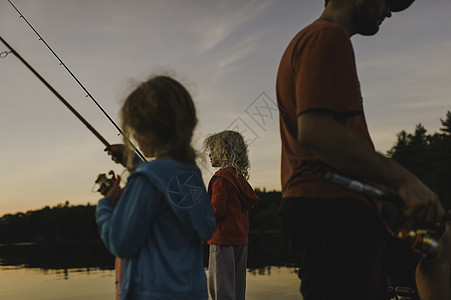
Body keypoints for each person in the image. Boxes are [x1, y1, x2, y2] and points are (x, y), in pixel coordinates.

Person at [275, 1, 447, 299]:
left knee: (441, 245)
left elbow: (338, 139)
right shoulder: (326, 36)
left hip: (346, 210)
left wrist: (385, 198)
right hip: (332, 211)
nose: (389, 11)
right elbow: (317, 131)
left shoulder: (320, 39)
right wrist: (405, 181)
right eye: (386, 0)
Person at [96, 75, 216, 300]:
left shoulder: (146, 180)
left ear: (145, 131)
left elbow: (121, 243)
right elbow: (204, 226)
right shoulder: (189, 173)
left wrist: (106, 205)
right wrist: (135, 163)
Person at [203, 130, 259, 300]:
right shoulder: (239, 179)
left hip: (222, 242)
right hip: (241, 242)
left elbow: (215, 212)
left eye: (213, 149)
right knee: (237, 291)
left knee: (221, 292)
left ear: (224, 151)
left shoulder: (221, 177)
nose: (210, 154)